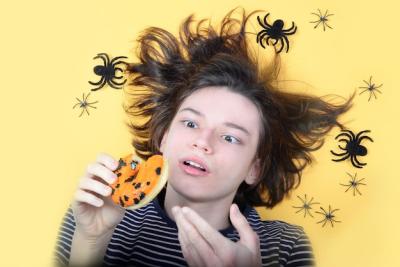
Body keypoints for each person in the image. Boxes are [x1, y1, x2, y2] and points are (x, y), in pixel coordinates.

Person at [54, 7, 353, 267]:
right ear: (163, 137)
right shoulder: (94, 214)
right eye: (190, 123)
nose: (203, 142)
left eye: (231, 138)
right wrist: (90, 242)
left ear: (255, 168)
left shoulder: (286, 246)